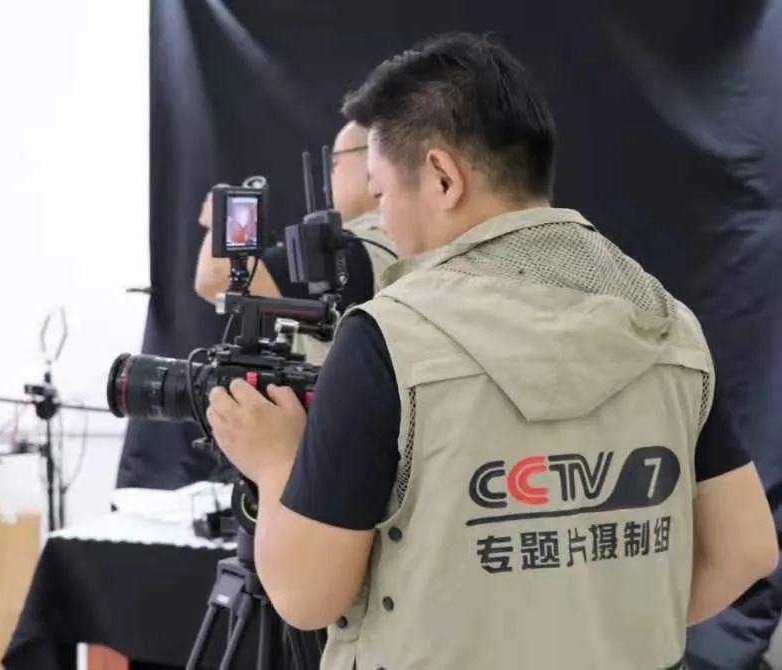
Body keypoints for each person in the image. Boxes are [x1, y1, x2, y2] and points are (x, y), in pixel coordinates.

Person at [204, 32, 778, 669]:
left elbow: (306, 595)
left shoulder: (388, 338)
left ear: (443, 178)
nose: (381, 221)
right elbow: (747, 549)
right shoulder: (670, 325)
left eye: (382, 193)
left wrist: (275, 461)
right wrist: (606, 627)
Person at [194, 121, 395, 362]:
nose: (331, 175)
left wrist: (216, 218)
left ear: (373, 160)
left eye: (336, 162)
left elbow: (215, 278)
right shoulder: (404, 241)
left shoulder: (348, 248)